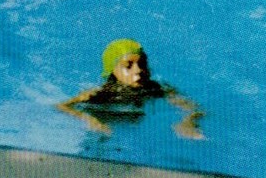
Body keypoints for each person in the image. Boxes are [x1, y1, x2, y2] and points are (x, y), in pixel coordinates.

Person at [58, 39, 203, 140]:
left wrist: (188, 122)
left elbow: (194, 108)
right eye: (128, 66)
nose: (138, 71)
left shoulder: (156, 88)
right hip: (106, 124)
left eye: (142, 64)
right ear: (112, 71)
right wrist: (90, 119)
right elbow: (62, 106)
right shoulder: (101, 93)